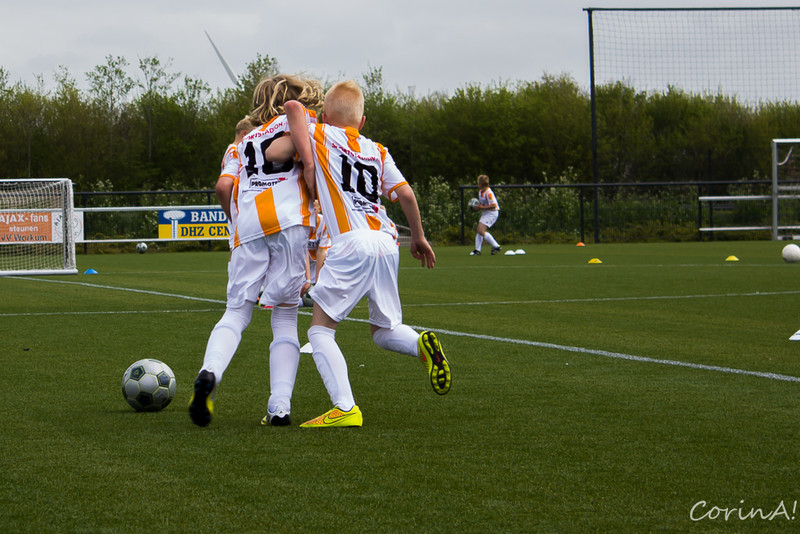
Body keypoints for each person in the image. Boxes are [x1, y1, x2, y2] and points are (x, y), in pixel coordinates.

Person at [265, 80, 451, 428]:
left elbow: (279, 140)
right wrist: (419, 237)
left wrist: (305, 150)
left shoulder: (320, 134)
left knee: (320, 332)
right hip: (386, 242)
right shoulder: (378, 150)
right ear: (362, 122)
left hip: (351, 242)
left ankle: (345, 407)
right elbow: (406, 195)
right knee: (384, 330)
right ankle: (420, 345)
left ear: (324, 116)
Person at [189, 74, 324, 428]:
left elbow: (225, 186)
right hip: (288, 220)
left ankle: (210, 372)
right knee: (286, 316)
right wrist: (318, 198)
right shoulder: (301, 121)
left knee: (235, 312)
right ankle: (279, 406)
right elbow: (308, 162)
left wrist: (235, 223)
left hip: (248, 224)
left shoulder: (245, 139)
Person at [217, 116, 254, 249]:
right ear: (244, 134)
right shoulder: (236, 151)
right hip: (238, 207)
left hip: (236, 207)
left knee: (236, 247)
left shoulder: (230, 150)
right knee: (238, 248)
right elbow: (224, 185)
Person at [470, 174, 502, 256]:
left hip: (492, 213)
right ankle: (477, 250)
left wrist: (481, 207)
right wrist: (477, 207)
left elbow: (493, 205)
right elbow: (482, 205)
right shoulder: (481, 191)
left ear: (480, 184)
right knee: (479, 230)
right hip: (486, 212)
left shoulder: (489, 193)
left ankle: (496, 246)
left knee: (481, 231)